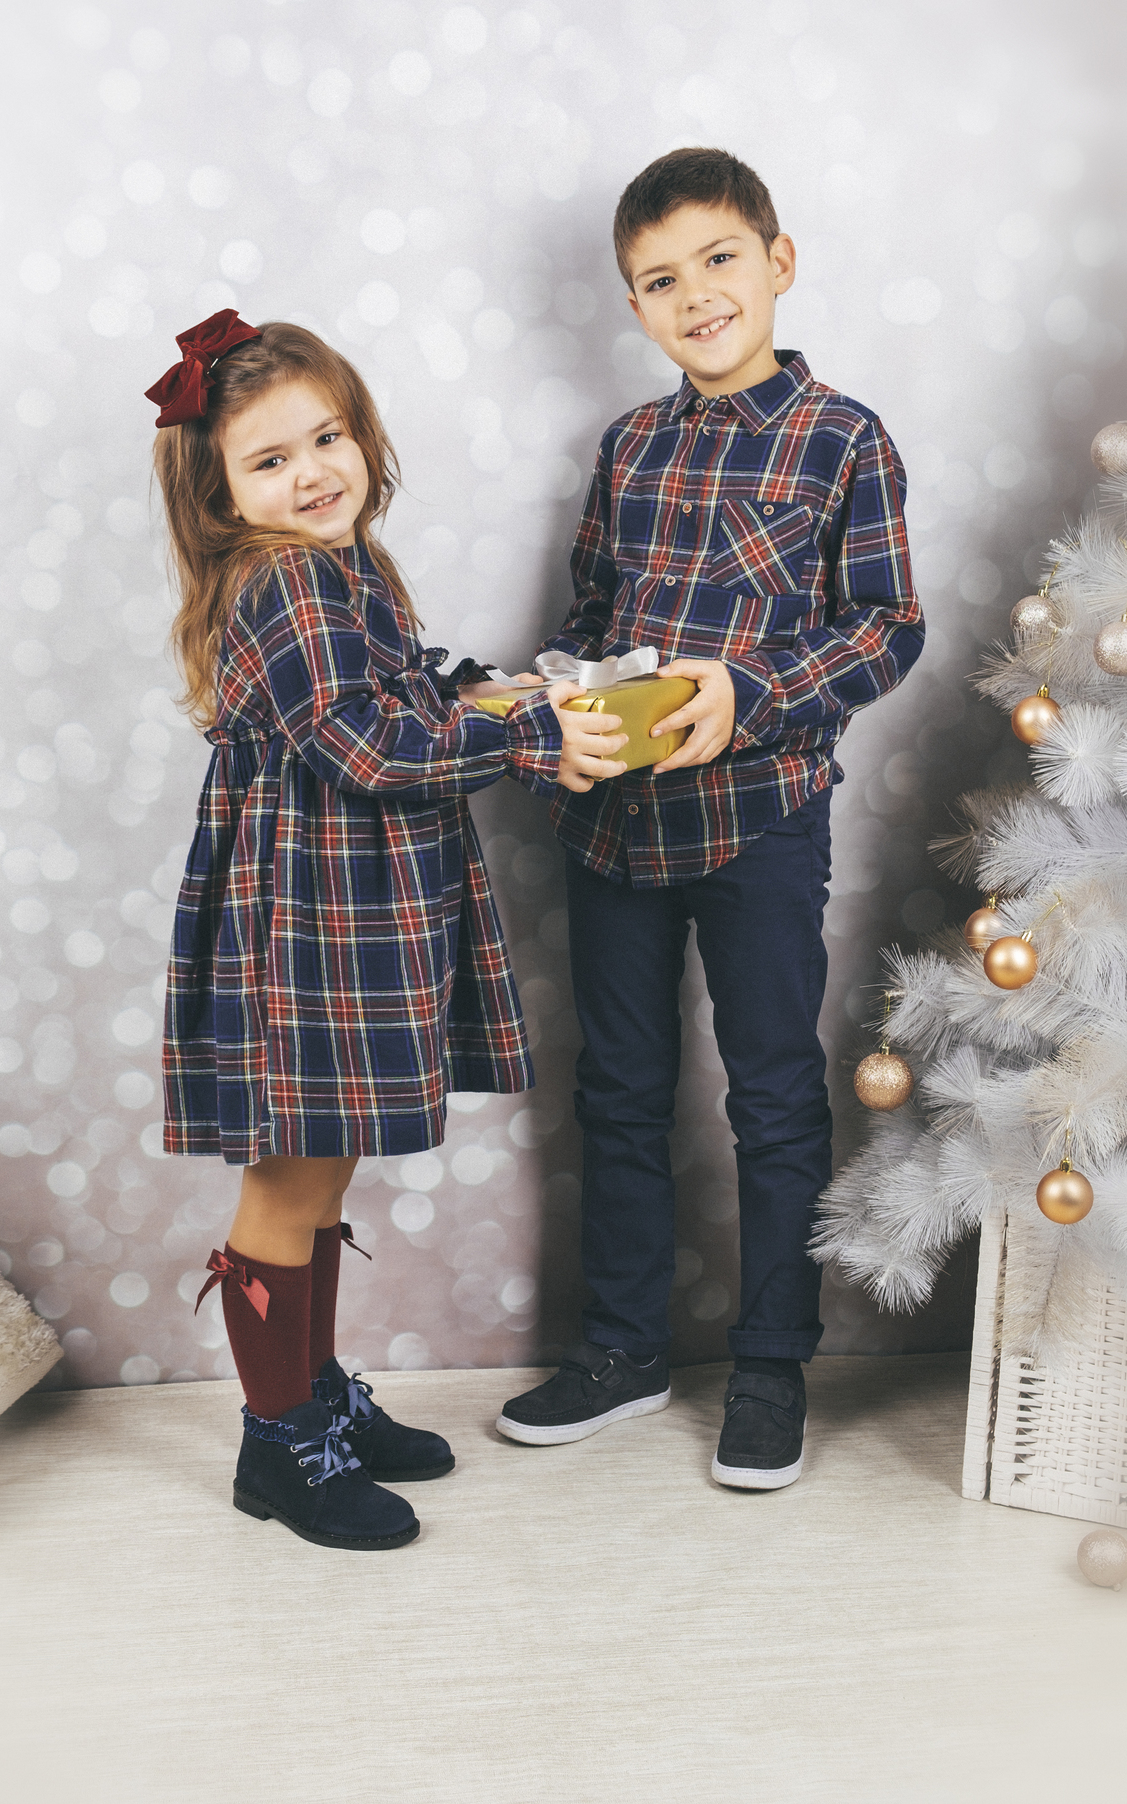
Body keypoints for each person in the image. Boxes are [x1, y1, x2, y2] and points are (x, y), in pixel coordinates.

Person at [147, 312, 627, 1549]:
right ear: (220, 494)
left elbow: (395, 688)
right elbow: (364, 744)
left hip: (354, 915)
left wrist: (493, 692)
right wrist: (528, 740)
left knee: (324, 1168)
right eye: (269, 461)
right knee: (287, 1179)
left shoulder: (345, 560)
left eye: (327, 435)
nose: (312, 471)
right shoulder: (286, 580)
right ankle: (279, 1446)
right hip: (308, 931)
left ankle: (311, 1399)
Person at [497, 148, 924, 1489]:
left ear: (778, 262)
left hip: (763, 823)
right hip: (616, 834)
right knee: (617, 1091)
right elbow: (589, 622)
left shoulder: (845, 440)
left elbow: (886, 630)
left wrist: (750, 692)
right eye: (659, 281)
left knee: (775, 1095)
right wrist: (556, 707)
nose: (697, 297)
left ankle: (770, 1366)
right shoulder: (629, 447)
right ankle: (620, 1351)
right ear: (634, 306)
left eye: (719, 261)